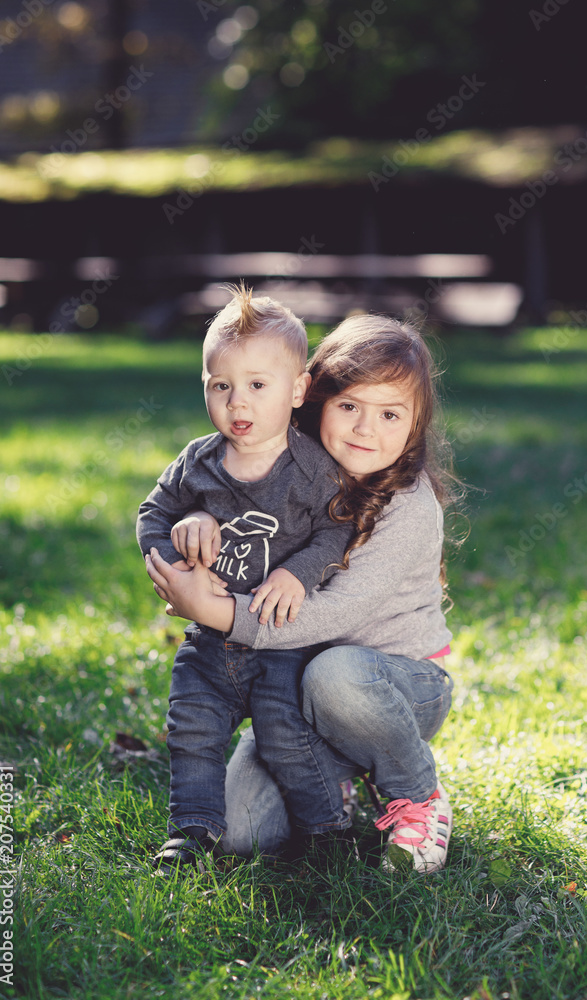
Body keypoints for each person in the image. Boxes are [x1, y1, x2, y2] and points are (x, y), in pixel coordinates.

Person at [146, 313, 458, 874]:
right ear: (313, 399)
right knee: (241, 829)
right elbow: (224, 494)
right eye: (349, 407)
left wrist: (211, 610)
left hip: (395, 686)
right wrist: (196, 516)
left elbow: (330, 614)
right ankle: (332, 775)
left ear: (415, 424)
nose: (366, 429)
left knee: (334, 673)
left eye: (389, 414)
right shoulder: (291, 462)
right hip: (285, 679)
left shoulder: (408, 507)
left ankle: (418, 794)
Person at [137, 284, 354, 871]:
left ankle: (328, 828)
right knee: (192, 729)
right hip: (209, 642)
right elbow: (152, 514)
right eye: (221, 386)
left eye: (259, 385)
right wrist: (178, 548)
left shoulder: (312, 469)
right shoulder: (198, 461)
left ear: (297, 390)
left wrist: (297, 574)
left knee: (287, 734)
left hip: (283, 643)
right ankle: (194, 830)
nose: (240, 403)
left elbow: (338, 532)